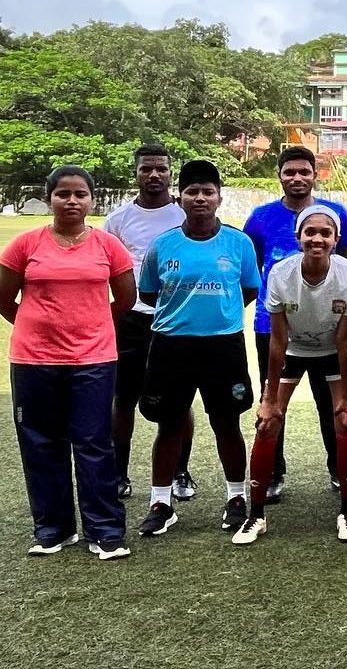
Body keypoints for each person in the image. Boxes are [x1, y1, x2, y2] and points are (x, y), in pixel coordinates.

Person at [2, 165, 135, 559]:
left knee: (94, 442)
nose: (72, 201)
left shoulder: (108, 247)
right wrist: (35, 326)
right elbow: (4, 297)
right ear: (50, 199)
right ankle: (54, 530)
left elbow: (125, 299)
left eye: (80, 194)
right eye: (63, 194)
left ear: (92, 199)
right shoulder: (25, 245)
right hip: (33, 360)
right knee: (41, 443)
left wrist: (91, 324)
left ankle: (106, 531)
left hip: (92, 360)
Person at [136, 160, 261, 539]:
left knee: (227, 422)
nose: (201, 198)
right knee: (169, 423)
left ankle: (236, 497)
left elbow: (249, 289)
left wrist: (217, 315)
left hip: (222, 345)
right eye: (192, 191)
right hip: (171, 345)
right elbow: (149, 292)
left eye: (208, 191)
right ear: (180, 197)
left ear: (220, 197)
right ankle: (161, 503)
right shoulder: (164, 244)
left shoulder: (239, 243)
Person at [235, 207, 347, 545]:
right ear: (298, 237)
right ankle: (256, 515)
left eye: (325, 232)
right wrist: (268, 398)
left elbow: (345, 338)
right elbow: (277, 340)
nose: (317, 238)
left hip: (332, 352)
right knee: (268, 423)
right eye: (310, 232)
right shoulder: (280, 273)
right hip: (293, 351)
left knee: (346, 422)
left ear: (337, 239)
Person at [242, 145, 347, 500]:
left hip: (325, 329)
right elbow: (256, 268)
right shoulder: (260, 217)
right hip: (272, 327)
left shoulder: (337, 213)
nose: (297, 178)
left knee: (329, 402)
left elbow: (342, 267)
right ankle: (273, 473)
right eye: (289, 171)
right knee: (272, 400)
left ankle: (339, 470)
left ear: (314, 174)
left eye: (304, 171)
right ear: (280, 175)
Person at [104, 144, 189, 502]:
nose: (154, 175)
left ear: (171, 173)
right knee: (123, 398)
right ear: (136, 173)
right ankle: (119, 474)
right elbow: (106, 268)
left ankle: (180, 473)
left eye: (161, 169)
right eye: (146, 169)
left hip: (177, 321)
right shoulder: (118, 220)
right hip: (132, 318)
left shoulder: (185, 215)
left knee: (180, 402)